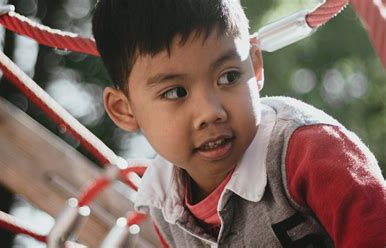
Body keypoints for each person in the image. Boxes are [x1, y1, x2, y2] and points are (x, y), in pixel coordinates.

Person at [92, 0, 386, 247]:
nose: (210, 112)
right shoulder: (162, 203)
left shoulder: (311, 151)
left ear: (255, 68)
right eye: (175, 92)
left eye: (229, 77)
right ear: (124, 110)